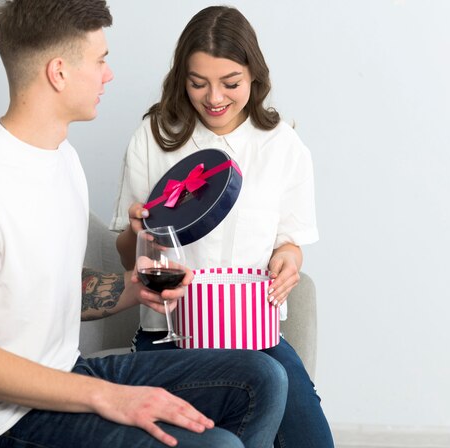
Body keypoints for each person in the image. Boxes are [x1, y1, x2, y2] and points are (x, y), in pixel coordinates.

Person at [0, 1, 289, 447]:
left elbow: (45, 290)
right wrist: (108, 397)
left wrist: (135, 288)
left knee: (262, 377)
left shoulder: (62, 161)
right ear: (59, 72)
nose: (109, 74)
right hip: (1, 421)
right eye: (100, 60)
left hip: (65, 374)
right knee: (218, 445)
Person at [111, 6, 334, 448]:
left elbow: (289, 244)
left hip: (255, 336)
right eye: (198, 83)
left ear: (254, 76)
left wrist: (288, 260)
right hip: (169, 337)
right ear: (182, 78)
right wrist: (138, 235)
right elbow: (127, 257)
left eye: (230, 83)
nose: (214, 97)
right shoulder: (154, 136)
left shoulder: (284, 148)